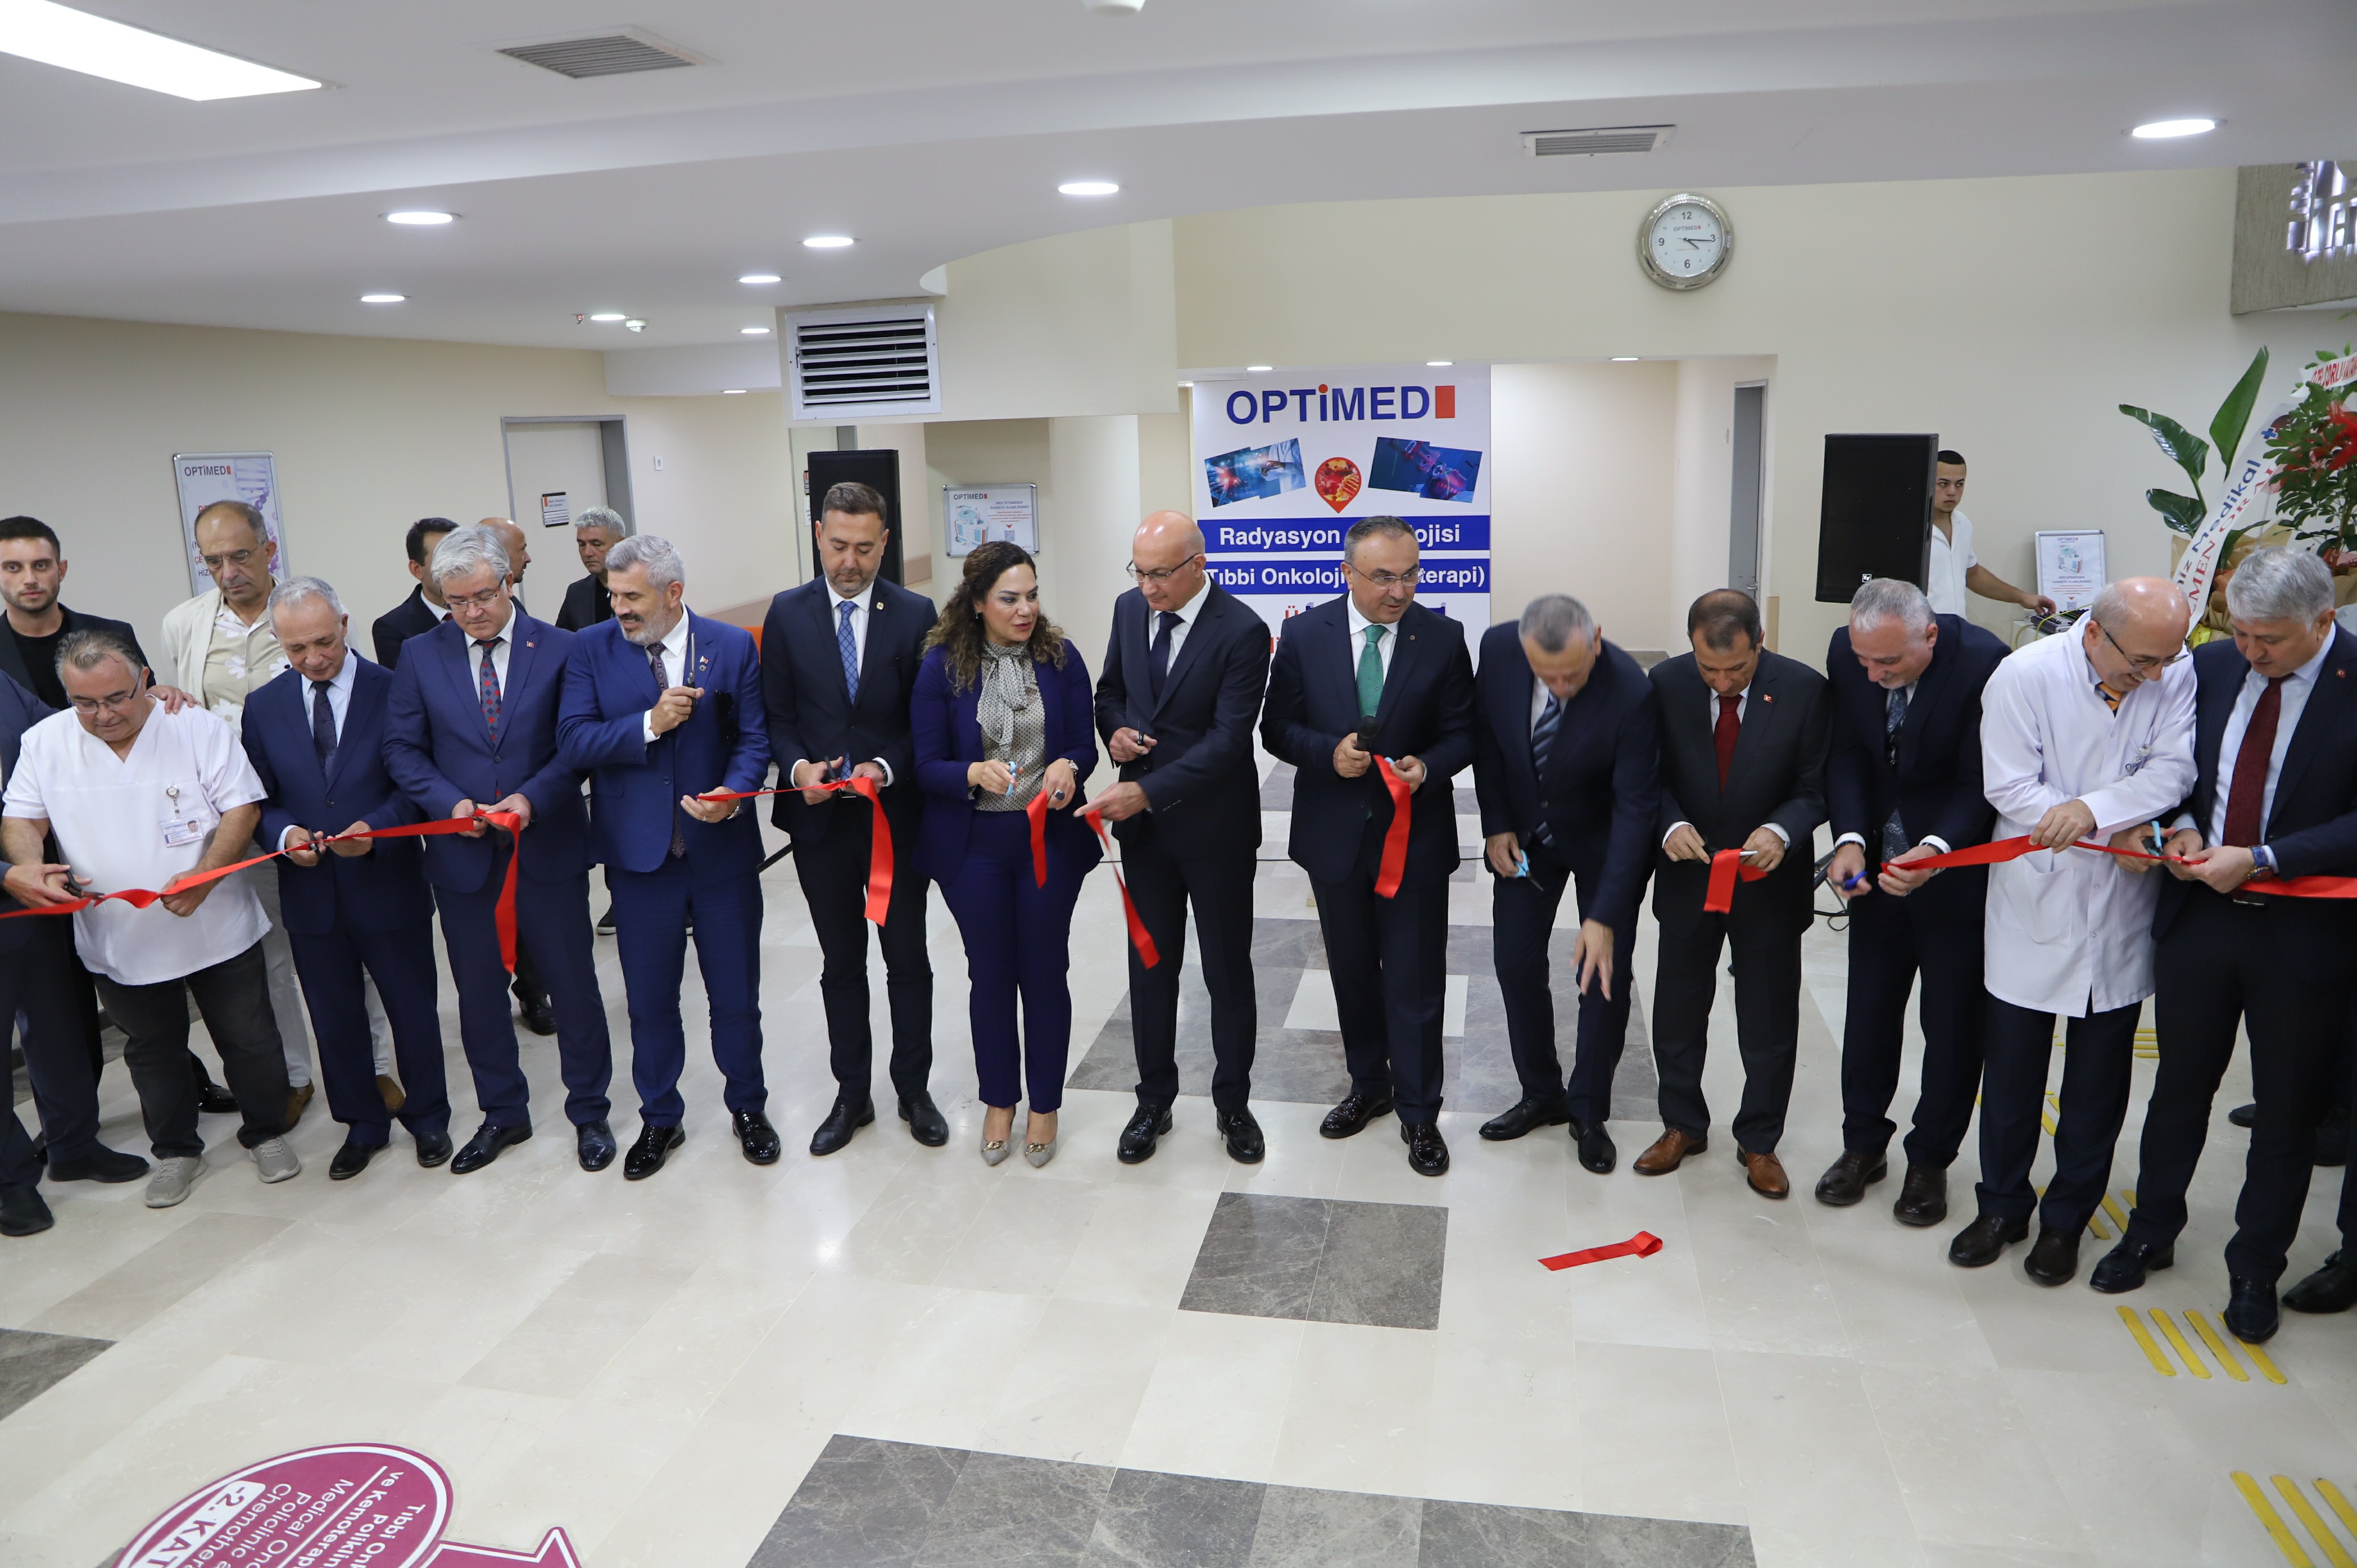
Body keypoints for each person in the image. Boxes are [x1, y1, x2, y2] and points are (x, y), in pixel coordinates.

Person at [2092, 550, 2357, 1341]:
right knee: (2178, 1088)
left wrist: (2267, 857)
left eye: (2268, 639)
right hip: (2199, 920)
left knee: (2285, 1110)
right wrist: (2176, 826)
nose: (2250, 651)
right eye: (2238, 632)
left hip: (2302, 932)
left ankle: (2255, 1268)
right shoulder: (2208, 667)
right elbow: (2172, 771)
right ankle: (2150, 1230)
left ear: (2323, 619)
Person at [1, 629, 299, 1207]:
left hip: (215, 921)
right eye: (85, 702)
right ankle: (177, 1150)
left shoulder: (193, 726)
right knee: (152, 1049)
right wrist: (31, 867)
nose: (104, 714)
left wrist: (207, 874)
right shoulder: (47, 741)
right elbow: (22, 819)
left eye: (116, 697)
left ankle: (266, 1132)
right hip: (121, 936)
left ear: (144, 680)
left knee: (249, 1037)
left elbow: (241, 807)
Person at [1952, 576, 2195, 1280]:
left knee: (2096, 1084)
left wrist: (2094, 812)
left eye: (2164, 660)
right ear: (2093, 632)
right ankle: (2000, 1205)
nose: (2153, 676)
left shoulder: (2170, 670)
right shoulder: (2023, 675)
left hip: (2119, 906)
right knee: (2011, 1076)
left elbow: (2172, 771)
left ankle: (2064, 1220)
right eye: (2140, 662)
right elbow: (2008, 785)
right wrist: (2098, 822)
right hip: (2036, 897)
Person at [384, 526, 615, 1175]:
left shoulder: (562, 647)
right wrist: (448, 802)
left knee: (572, 984)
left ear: (508, 582)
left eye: (483, 596)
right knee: (479, 992)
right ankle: (503, 1112)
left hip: (546, 846)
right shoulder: (420, 655)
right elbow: (401, 748)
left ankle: (589, 1110)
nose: (472, 612)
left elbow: (578, 744)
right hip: (463, 855)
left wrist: (530, 799)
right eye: (456, 601)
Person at [1261, 515, 1475, 1178]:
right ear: (1346, 573)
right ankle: (1368, 1085)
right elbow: (1276, 728)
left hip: (1415, 838)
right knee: (1352, 974)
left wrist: (1427, 767)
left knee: (1414, 979)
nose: (1399, 590)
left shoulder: (1441, 638)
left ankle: (1420, 1111)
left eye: (1410, 575)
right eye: (1383, 577)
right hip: (1333, 838)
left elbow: (1464, 732)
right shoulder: (1304, 634)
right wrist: (1326, 753)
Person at [558, 535, 778, 1177]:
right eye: (613, 595)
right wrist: (648, 724)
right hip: (639, 860)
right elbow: (573, 742)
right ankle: (660, 1117)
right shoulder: (590, 648)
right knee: (650, 1001)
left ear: (673, 593)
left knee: (735, 995)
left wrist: (733, 796)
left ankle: (748, 1107)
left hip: (721, 854)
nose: (619, 608)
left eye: (632, 596)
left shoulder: (731, 646)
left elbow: (753, 739)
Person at [241, 578, 453, 1179]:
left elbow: (418, 782)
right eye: (296, 648)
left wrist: (378, 828)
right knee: (334, 1019)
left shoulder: (395, 689)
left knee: (412, 1010)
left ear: (344, 624)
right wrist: (285, 836)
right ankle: (362, 1123)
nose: (313, 659)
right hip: (311, 892)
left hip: (388, 882)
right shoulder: (264, 706)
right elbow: (259, 798)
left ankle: (428, 1117)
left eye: (324, 642)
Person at [762, 482, 945, 1154]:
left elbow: (926, 722)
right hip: (819, 826)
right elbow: (777, 714)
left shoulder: (915, 613)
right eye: (838, 545)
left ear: (884, 543)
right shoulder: (786, 613)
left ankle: (913, 1089)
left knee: (907, 959)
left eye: (865, 548)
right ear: (818, 535)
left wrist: (884, 768)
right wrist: (796, 769)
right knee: (841, 962)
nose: (849, 561)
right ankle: (851, 1094)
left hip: (894, 821)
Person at [1818, 578, 2007, 1222]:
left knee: (1951, 1024)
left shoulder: (1984, 662)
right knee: (1868, 1012)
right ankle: (1862, 1145)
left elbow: (1980, 781)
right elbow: (1847, 752)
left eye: (1889, 662)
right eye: (1864, 661)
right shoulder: (1847, 652)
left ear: (1929, 635)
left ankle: (1930, 1160)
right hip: (1873, 870)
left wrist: (1934, 849)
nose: (1873, 675)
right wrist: (1848, 837)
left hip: (1949, 871)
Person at [1086, 511, 1271, 1165]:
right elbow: (1109, 691)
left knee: (1225, 971)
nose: (1147, 587)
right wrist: (1114, 730)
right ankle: (1152, 1100)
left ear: (1198, 565)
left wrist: (1147, 790)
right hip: (1145, 836)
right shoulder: (1127, 608)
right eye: (1138, 571)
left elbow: (1227, 742)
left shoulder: (1242, 630)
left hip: (1215, 829)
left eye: (1160, 573)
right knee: (1149, 967)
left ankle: (1233, 1103)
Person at [1636, 589, 1830, 1198]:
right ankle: (1681, 1125)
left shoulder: (1803, 689)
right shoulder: (1664, 683)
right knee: (1677, 1009)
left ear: (1760, 642)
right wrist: (1668, 824)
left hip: (1767, 881)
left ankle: (1759, 1140)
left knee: (1768, 1018)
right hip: (1689, 875)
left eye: (1737, 670)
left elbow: (1815, 786)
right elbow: (1646, 775)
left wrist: (1782, 831)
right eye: (1709, 669)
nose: (1722, 682)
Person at [912, 542, 1097, 1169]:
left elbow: (1083, 743)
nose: (1025, 610)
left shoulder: (1061, 658)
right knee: (990, 974)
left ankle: (1045, 1105)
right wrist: (969, 772)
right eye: (1009, 599)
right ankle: (999, 1100)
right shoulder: (942, 667)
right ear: (976, 602)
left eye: (1032, 596)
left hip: (1048, 841)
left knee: (1044, 971)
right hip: (974, 848)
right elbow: (926, 765)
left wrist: (1069, 766)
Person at [1470, 593, 1658, 1175]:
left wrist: (1603, 916)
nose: (1559, 686)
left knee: (1600, 974)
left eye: (1571, 675)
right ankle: (1541, 1092)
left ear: (1595, 640)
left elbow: (1635, 811)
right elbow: (1486, 738)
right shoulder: (1498, 648)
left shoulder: (1631, 690)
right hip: (1527, 838)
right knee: (1514, 962)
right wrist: (1497, 822)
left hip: (1602, 845)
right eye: (1545, 675)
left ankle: (1588, 1109)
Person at [155, 498, 320, 1127]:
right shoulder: (185, 624)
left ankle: (376, 1064)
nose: (228, 572)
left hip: (305, 810)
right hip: (233, 817)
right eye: (214, 560)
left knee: (337, 946)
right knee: (270, 958)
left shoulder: (305, 609)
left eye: (241, 556)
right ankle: (295, 1076)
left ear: (269, 549)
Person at [0, 514, 173, 1105]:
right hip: (35, 846)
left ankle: (186, 1084)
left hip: (125, 834)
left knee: (155, 969)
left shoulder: (110, 634)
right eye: (14, 567)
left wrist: (167, 694)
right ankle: (76, 1122)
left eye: (40, 564)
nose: (29, 578)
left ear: (62, 569)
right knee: (59, 995)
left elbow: (146, 710)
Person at [0, 661, 148, 1237]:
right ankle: (11, 1179)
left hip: (34, 889)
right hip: (11, 879)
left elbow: (67, 722)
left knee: (57, 1025)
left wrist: (147, 699)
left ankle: (73, 1144)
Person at [1925, 450, 2056, 620]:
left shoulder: (1962, 523)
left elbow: (1972, 574)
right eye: (1944, 484)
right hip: (1918, 630)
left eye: (1959, 484)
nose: (1952, 492)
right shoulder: (1909, 530)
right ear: (1928, 482)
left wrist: (2023, 597)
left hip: (1957, 627)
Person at [372, 517, 458, 670]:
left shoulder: (486, 608)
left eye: (461, 556)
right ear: (417, 569)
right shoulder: (393, 628)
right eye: (443, 560)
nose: (456, 566)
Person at [555, 508, 624, 632]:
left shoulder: (644, 587)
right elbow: (561, 640)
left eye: (597, 544)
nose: (587, 553)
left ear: (620, 544)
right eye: (582, 545)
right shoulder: (577, 593)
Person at [482, 519, 535, 613]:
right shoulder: (483, 614)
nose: (528, 558)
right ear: (500, 555)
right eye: (522, 550)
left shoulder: (514, 606)